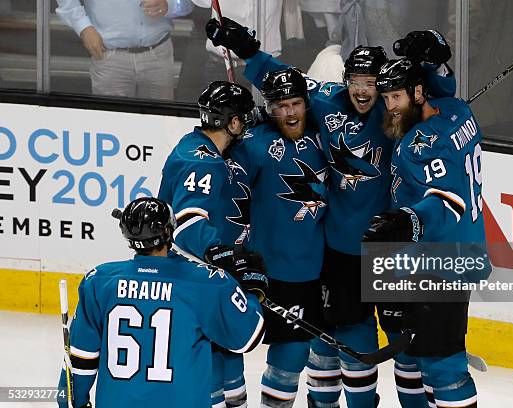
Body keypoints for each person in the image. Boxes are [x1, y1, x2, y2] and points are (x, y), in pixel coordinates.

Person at [206, 17, 456, 407]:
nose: (362, 89)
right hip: (338, 249)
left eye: (371, 82)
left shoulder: (396, 112)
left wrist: (436, 64)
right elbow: (285, 83)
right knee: (352, 334)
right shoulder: (324, 104)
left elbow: (437, 94)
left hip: (392, 248)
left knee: (406, 345)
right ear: (345, 81)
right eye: (355, 80)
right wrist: (247, 50)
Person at [362, 58, 492, 408]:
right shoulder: (459, 112)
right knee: (411, 355)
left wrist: (407, 220)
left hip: (440, 261)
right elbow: (447, 89)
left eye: (397, 98)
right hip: (442, 254)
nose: (389, 107)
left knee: (442, 364)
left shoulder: (419, 144)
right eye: (385, 98)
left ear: (419, 93)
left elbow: (448, 201)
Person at [57, 196, 267, 408]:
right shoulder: (207, 283)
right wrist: (250, 289)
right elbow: (248, 338)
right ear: (169, 232)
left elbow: (80, 357)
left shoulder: (99, 281)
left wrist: (72, 402)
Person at [229, 67, 328, 408]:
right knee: (226, 351)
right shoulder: (252, 145)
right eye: (281, 105)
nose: (289, 113)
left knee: (291, 358)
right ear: (268, 108)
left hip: (307, 270)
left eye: (296, 103)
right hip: (261, 269)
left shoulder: (326, 135)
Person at [157, 80, 256, 408]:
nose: (247, 121)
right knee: (210, 355)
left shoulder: (195, 144)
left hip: (200, 271)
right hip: (193, 274)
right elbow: (187, 225)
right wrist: (220, 251)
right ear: (231, 122)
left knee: (226, 356)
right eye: (243, 116)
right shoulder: (205, 163)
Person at [55, 0, 193, 100]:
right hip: (110, 56)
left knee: (161, 126)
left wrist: (170, 5)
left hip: (158, 53)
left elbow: (188, 3)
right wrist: (84, 27)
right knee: (111, 128)